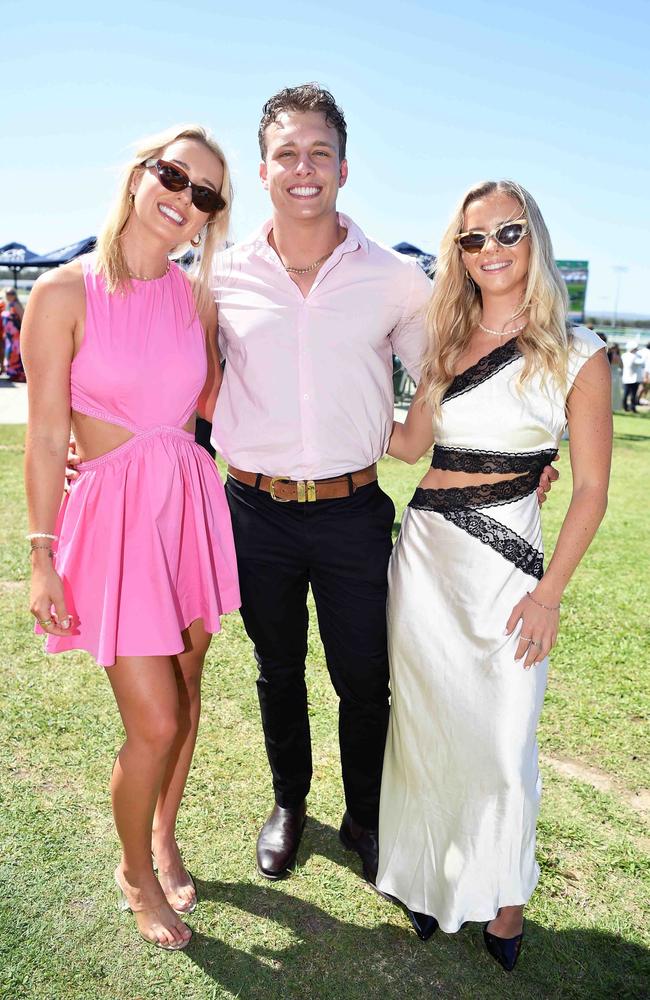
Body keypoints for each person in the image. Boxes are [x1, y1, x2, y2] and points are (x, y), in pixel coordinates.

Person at [210, 84, 557, 886]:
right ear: (264, 170)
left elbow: (453, 374)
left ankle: (364, 816)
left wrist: (516, 461)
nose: (305, 169)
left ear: (343, 167)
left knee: (364, 676)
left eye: (319, 153)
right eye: (288, 154)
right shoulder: (221, 278)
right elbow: (178, 379)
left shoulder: (397, 280)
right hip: (252, 508)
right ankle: (290, 803)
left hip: (351, 511)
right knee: (275, 667)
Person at [376, 180, 611, 971]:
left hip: (509, 573)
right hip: (425, 560)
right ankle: (423, 876)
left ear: (533, 237)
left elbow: (593, 491)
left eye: (506, 232)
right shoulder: (445, 341)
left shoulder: (579, 356)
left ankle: (506, 902)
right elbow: (409, 447)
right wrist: (318, 397)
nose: (491, 250)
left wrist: (549, 596)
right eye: (473, 240)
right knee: (424, 726)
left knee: (504, 741)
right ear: (459, 254)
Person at [22, 125, 240, 951]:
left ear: (210, 218)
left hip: (186, 509)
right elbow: (46, 438)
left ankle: (163, 832)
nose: (184, 198)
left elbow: (222, 404)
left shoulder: (197, 299)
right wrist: (42, 554)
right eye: (174, 175)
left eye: (205, 194)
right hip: (111, 525)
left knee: (186, 690)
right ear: (140, 173)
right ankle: (133, 871)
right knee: (154, 720)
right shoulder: (63, 293)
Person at [2, 287, 25, 381]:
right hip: (9, 336)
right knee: (10, 353)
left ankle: (18, 374)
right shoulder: (7, 305)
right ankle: (12, 373)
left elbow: (23, 318)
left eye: (12, 293)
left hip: (16, 335)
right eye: (8, 293)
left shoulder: (16, 304)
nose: (9, 295)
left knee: (15, 353)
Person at [621, 341, 644, 412]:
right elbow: (641, 362)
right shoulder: (634, 356)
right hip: (632, 378)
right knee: (632, 394)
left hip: (627, 378)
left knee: (626, 393)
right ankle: (632, 407)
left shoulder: (624, 355)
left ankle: (625, 407)